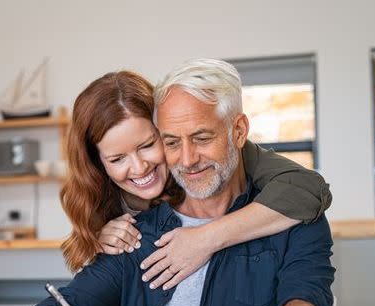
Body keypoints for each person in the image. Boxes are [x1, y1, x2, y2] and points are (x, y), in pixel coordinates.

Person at [18, 59, 334, 306]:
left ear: (238, 131)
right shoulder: (134, 234)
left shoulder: (289, 213)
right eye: (171, 142)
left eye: (201, 137)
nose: (186, 159)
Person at [60, 71, 331, 292]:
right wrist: (97, 238)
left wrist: (204, 239)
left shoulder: (214, 161)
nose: (139, 167)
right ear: (98, 162)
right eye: (117, 159)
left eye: (147, 145)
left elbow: (310, 188)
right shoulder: (97, 195)